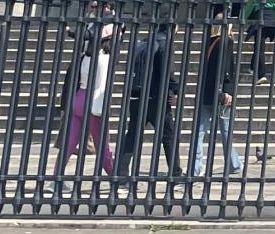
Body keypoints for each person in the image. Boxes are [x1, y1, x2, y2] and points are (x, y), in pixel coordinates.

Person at [117, 22, 182, 178]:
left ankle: (122, 172)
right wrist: (176, 91)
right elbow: (168, 70)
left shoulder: (144, 42)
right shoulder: (164, 43)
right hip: (156, 97)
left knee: (132, 134)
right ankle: (175, 172)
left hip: (136, 95)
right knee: (168, 135)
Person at [55, 26, 117, 186]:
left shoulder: (85, 57)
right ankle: (114, 176)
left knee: (69, 142)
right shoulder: (105, 58)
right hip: (93, 100)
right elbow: (101, 85)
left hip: (78, 98)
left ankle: (56, 178)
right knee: (103, 145)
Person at [191, 17, 243, 178]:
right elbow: (226, 68)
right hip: (221, 93)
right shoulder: (226, 41)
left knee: (199, 131)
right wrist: (227, 90)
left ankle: (195, 167)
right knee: (225, 130)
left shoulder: (210, 42)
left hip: (207, 92)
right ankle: (233, 163)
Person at [242, 0, 275, 84]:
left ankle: (262, 73)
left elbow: (249, 8)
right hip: (272, 20)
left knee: (260, 47)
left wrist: (243, 19)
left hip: (261, 19)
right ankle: (252, 67)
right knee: (258, 46)